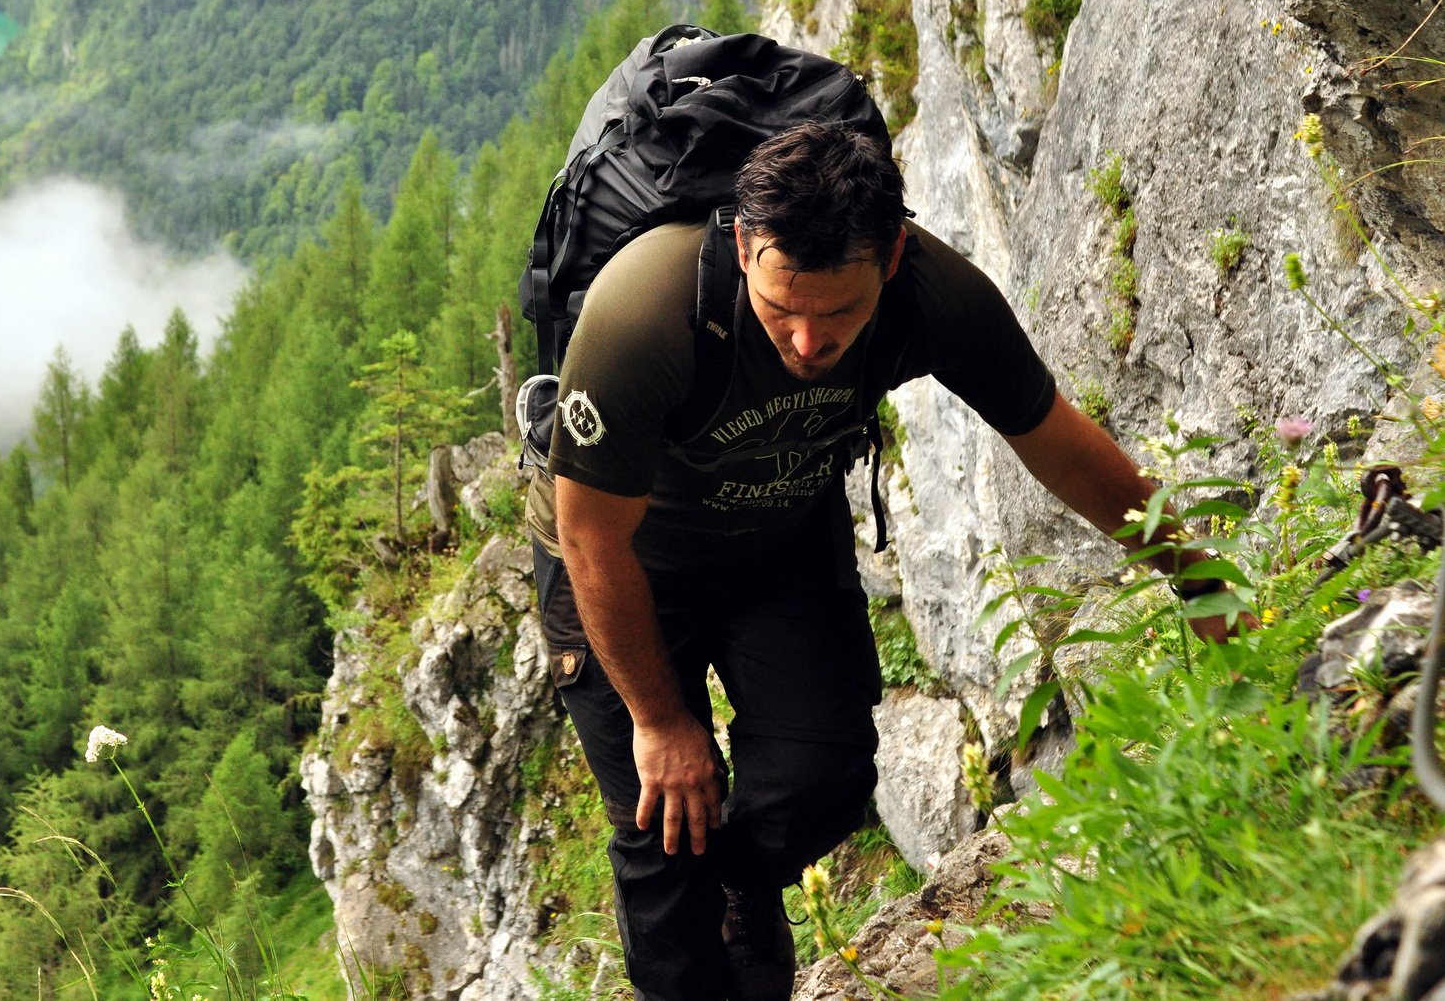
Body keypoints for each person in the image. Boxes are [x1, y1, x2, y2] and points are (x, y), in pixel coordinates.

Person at [524, 122, 1242, 1001]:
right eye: (781, 307)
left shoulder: (934, 297)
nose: (806, 343)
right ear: (745, 245)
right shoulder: (647, 310)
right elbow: (591, 535)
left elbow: (1053, 440)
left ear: (892, 257)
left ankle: (743, 883)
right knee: (667, 831)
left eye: (837, 315)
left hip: (776, 537)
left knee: (820, 779)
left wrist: (1192, 568)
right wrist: (662, 723)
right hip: (625, 560)